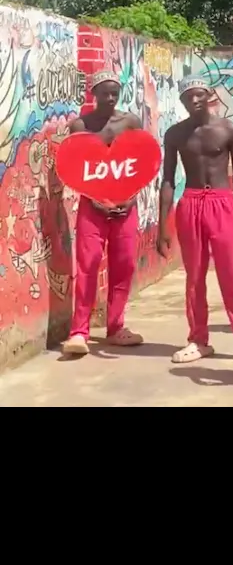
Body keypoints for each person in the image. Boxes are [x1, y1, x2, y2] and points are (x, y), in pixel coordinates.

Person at [157, 82, 233, 367]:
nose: (194, 100)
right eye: (188, 97)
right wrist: (161, 227)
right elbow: (168, 179)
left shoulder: (228, 129)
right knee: (194, 277)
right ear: (182, 102)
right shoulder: (175, 134)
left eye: (199, 95)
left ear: (208, 97)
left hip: (223, 203)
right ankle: (198, 340)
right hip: (191, 203)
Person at [62, 74, 148, 356]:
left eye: (115, 93)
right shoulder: (80, 126)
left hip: (126, 207)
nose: (110, 98)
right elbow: (74, 166)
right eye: (105, 93)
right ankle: (79, 332)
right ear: (94, 94)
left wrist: (132, 198)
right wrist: (93, 199)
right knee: (87, 266)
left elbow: (143, 162)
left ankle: (116, 327)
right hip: (92, 208)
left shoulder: (131, 122)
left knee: (124, 266)